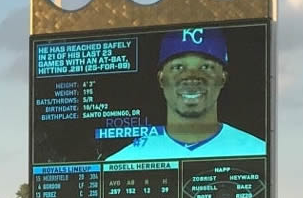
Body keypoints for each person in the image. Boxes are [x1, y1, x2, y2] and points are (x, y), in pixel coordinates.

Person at [106, 28, 265, 163]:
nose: (191, 77)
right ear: (161, 79)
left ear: (223, 78)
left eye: (206, 67)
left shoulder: (257, 151)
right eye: (178, 67)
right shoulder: (123, 160)